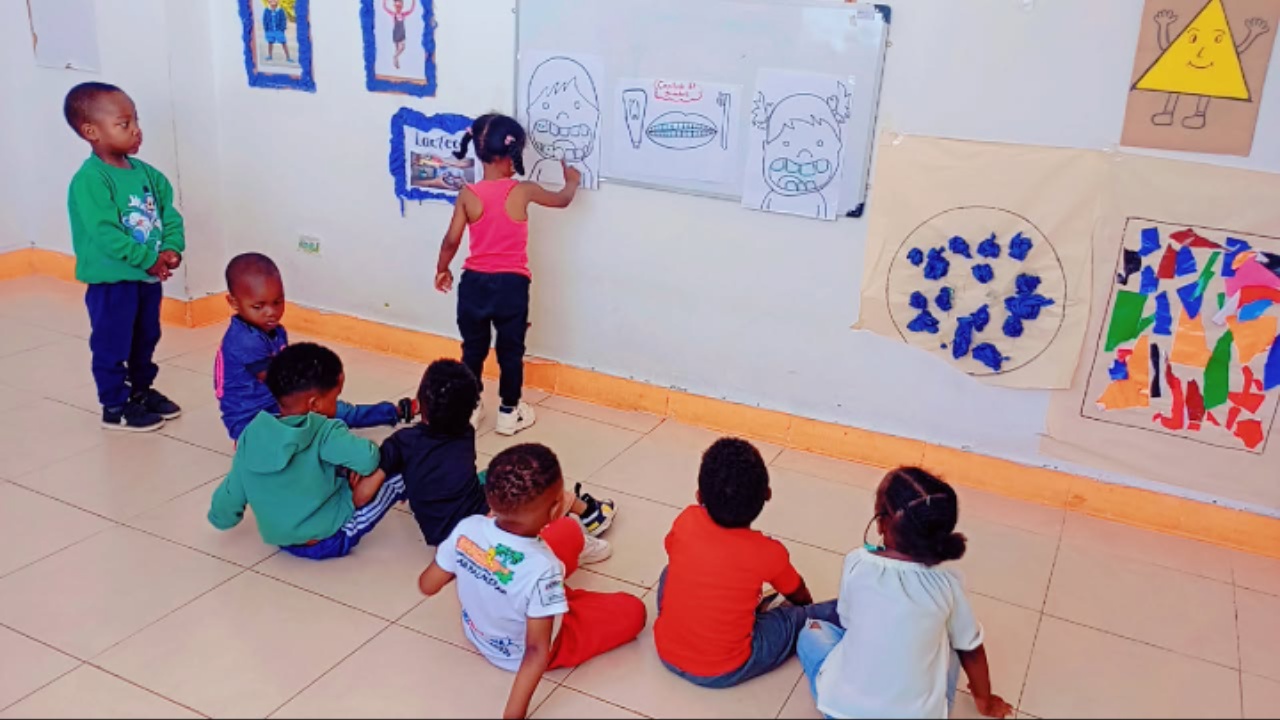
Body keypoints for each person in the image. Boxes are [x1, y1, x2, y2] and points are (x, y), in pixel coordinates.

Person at [418, 444, 646, 720]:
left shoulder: (468, 528)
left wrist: (473, 561)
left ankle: (554, 595)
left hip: (478, 630)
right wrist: (513, 714)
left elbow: (427, 585)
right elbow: (537, 649)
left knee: (567, 531)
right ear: (556, 509)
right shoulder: (543, 568)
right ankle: (558, 598)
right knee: (634, 611)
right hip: (520, 650)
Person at [796, 467, 1013, 719]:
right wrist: (985, 701)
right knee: (953, 641)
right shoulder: (947, 584)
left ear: (881, 523)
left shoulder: (857, 562)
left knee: (811, 633)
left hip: (843, 712)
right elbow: (972, 650)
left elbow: (846, 620)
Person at [435, 114, 581, 436]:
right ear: (507, 156)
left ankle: (471, 409)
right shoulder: (523, 191)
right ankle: (508, 412)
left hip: (473, 284)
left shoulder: (468, 194)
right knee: (510, 352)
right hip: (512, 286)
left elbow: (451, 240)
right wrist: (571, 180)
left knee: (473, 349)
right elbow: (562, 200)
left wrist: (442, 268)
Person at [374, 359, 617, 548]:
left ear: (420, 404)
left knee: (486, 475)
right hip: (482, 522)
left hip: (441, 536)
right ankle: (590, 514)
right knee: (527, 478)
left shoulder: (403, 441)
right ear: (470, 409)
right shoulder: (465, 434)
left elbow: (407, 466)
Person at [654, 438, 837, 688]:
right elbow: (798, 593)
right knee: (795, 619)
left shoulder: (685, 520)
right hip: (725, 669)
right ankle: (853, 612)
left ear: (699, 496)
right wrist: (803, 608)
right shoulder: (768, 552)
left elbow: (673, 550)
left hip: (667, 651)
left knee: (670, 571)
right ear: (767, 495)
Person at [207, 343, 405, 560]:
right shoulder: (324, 431)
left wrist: (220, 518)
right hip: (328, 540)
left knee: (327, 466)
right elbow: (369, 459)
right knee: (398, 464)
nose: (336, 404)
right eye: (335, 397)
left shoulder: (251, 434)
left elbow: (231, 492)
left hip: (282, 539)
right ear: (315, 404)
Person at [64, 82, 185, 432]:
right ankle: (115, 405)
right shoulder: (91, 180)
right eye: (124, 123)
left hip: (146, 279)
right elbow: (105, 233)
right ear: (91, 132)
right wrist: (147, 259)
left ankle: (141, 391)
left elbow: (169, 215)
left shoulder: (148, 175)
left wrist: (171, 248)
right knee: (112, 343)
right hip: (112, 282)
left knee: (145, 337)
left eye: (136, 121)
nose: (136, 130)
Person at [215, 252, 415, 442]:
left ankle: (394, 412)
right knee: (321, 424)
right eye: (259, 306)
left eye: (278, 302)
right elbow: (280, 382)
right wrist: (317, 395)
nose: (271, 312)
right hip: (253, 419)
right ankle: (250, 443)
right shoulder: (245, 341)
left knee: (336, 410)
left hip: (281, 404)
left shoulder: (274, 329)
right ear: (233, 302)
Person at [383, 0, 416, 70]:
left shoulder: (403, 14)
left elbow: (411, 10)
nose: (398, 8)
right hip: (396, 33)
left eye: (399, 6)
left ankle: (395, 57)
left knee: (402, 47)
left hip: (401, 33)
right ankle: (396, 63)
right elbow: (385, 8)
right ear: (394, 6)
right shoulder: (393, 14)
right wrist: (384, 1)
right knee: (397, 49)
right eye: (396, 6)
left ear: (402, 7)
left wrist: (413, 2)